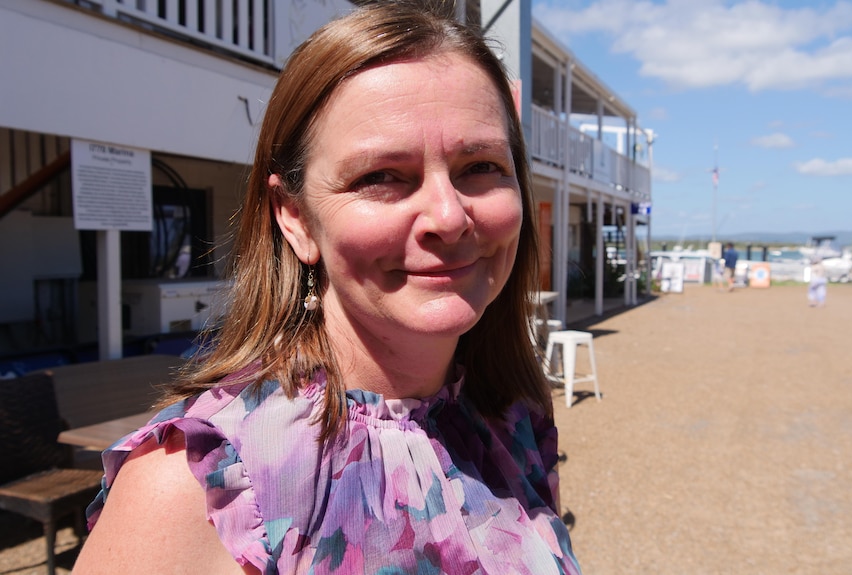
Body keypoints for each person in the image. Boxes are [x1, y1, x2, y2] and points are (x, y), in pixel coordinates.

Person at [73, 3, 581, 574]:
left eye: (481, 166)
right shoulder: (197, 489)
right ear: (295, 218)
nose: (449, 215)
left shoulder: (511, 421)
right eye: (382, 176)